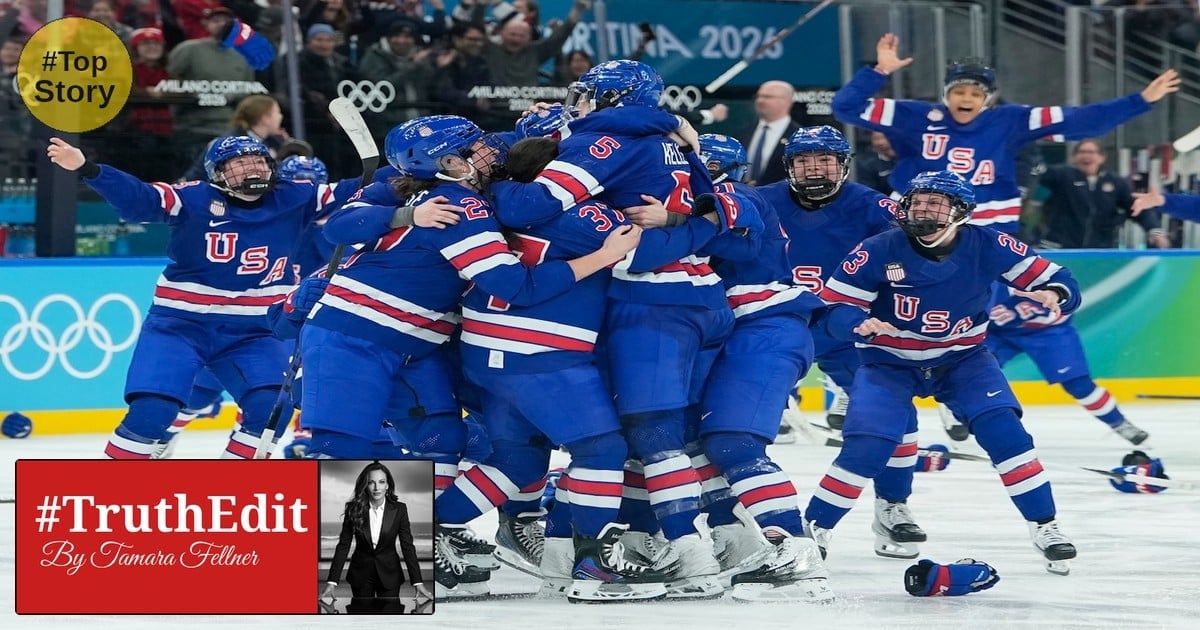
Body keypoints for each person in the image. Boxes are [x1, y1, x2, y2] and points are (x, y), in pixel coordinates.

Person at [805, 170, 1082, 576]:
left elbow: (1058, 277)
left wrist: (1053, 294)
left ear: (961, 212)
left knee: (1006, 433)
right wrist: (855, 323)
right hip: (888, 363)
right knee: (867, 446)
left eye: (935, 203)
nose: (923, 210)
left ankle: (1045, 525)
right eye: (917, 202)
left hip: (962, 361)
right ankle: (813, 531)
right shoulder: (877, 249)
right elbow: (831, 308)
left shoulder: (988, 243)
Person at [46, 135, 336, 459]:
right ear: (218, 172)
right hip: (183, 324)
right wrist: (89, 169)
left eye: (258, 161)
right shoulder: (194, 198)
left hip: (254, 330)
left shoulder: (295, 200)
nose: (252, 170)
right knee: (154, 410)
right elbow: (141, 198)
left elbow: (361, 192)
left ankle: (235, 495)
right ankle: (110, 492)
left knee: (272, 408)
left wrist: (401, 178)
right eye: (240, 163)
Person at [761, 125, 929, 560]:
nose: (814, 169)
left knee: (898, 418)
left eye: (824, 160)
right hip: (774, 327)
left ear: (843, 164)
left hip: (850, 329)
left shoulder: (874, 206)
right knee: (734, 427)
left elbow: (923, 248)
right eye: (804, 160)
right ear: (789, 166)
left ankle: (892, 506)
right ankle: (730, 519)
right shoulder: (759, 200)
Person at [833, 33, 1179, 235]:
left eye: (975, 93)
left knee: (979, 314)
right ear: (945, 94)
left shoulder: (1012, 120)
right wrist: (878, 71)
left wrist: (1140, 101)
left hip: (986, 225)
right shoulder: (915, 115)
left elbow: (1082, 121)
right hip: (915, 220)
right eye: (959, 91)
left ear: (988, 98)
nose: (966, 98)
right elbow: (846, 107)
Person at [323, 462, 432, 613]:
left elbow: (407, 546)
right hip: (360, 575)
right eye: (371, 482)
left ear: (388, 485)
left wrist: (418, 582)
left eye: (381, 482)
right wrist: (332, 582)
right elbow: (343, 545)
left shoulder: (400, 509)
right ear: (365, 485)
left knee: (390, 620)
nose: (376, 488)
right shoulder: (353, 509)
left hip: (390, 575)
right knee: (362, 620)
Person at [1033, 139, 1168, 249]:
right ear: (1074, 157)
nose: (1086, 156)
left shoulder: (1115, 182)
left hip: (1099, 249)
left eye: (1091, 152)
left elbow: (1136, 207)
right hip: (1058, 247)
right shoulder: (1062, 175)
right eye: (1082, 152)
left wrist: (1154, 230)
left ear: (1102, 157)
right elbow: (1039, 171)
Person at [740, 80, 799, 186]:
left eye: (767, 97)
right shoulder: (743, 133)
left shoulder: (798, 136)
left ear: (787, 101)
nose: (760, 101)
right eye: (758, 96)